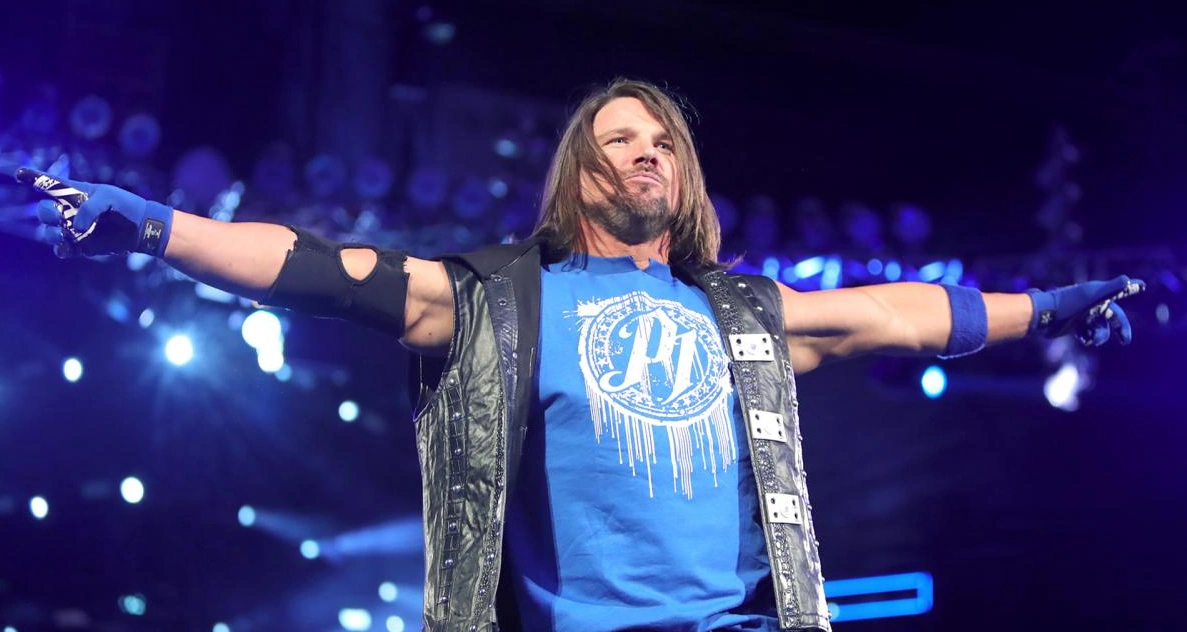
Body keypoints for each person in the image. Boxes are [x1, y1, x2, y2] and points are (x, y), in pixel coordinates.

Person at [22, 79, 1143, 632]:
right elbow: (322, 267)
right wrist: (158, 226)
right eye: (620, 139)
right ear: (581, 171)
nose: (647, 153)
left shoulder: (740, 311)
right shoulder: (504, 298)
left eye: (663, 142)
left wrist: (1045, 308)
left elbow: (899, 314)